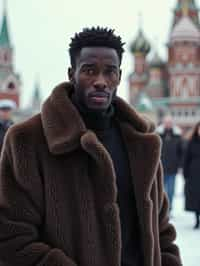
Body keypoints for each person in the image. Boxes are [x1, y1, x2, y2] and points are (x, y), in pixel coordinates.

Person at [0, 27, 182, 266]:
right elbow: (11, 238)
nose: (100, 81)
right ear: (71, 74)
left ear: (119, 76)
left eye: (110, 72)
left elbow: (161, 232)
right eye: (88, 70)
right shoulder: (28, 140)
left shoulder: (142, 142)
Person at [156, 115, 183, 212]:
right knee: (160, 191)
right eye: (166, 122)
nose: (168, 124)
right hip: (160, 168)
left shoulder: (177, 136)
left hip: (172, 168)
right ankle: (161, 210)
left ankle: (169, 209)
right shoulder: (158, 135)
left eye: (170, 122)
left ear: (172, 124)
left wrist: (180, 166)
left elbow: (181, 152)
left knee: (171, 191)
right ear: (163, 123)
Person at [183, 121, 200, 229]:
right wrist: (186, 173)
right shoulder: (192, 142)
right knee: (196, 198)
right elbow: (186, 159)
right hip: (194, 175)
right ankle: (197, 219)